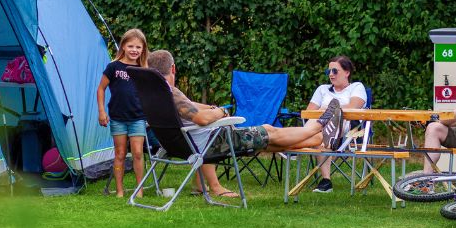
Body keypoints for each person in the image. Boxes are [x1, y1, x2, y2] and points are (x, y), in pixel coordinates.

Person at [146, 50, 342, 198]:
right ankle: (317, 127)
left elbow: (189, 107)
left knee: (269, 141)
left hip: (183, 145)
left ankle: (318, 139)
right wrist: (220, 112)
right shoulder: (170, 90)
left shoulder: (154, 92)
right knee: (269, 131)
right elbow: (201, 119)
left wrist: (209, 108)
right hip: (211, 143)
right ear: (173, 68)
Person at [96, 29, 149, 198]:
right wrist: (101, 111)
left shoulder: (143, 69)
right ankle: (119, 189)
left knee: (138, 153)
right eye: (131, 46)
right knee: (119, 154)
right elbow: (101, 88)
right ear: (123, 46)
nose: (134, 50)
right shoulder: (113, 67)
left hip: (137, 118)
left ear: (143, 50)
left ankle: (139, 188)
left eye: (138, 47)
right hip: (118, 118)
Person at [305, 55, 366, 193]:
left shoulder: (357, 87)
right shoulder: (322, 89)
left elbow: (352, 107)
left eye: (335, 71)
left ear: (347, 72)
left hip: (347, 132)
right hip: (319, 128)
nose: (331, 75)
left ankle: (297, 142)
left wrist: (326, 110)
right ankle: (326, 181)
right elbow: (309, 112)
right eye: (329, 71)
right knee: (320, 134)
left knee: (320, 133)